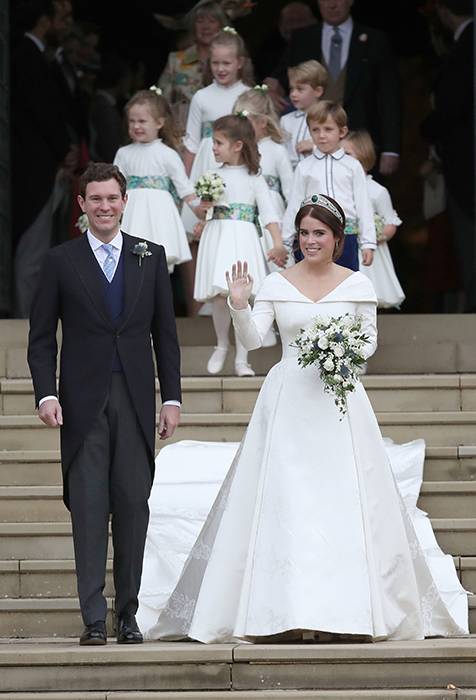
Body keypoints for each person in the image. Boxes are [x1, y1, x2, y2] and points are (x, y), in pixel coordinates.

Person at [143, 194, 468, 643]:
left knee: (343, 499)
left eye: (320, 233)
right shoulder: (278, 284)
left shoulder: (357, 285)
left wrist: (340, 348)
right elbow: (256, 340)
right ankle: (280, 614)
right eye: (304, 233)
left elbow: (369, 342)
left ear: (337, 240)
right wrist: (239, 302)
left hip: (339, 402)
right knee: (287, 500)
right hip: (288, 399)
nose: (310, 241)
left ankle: (350, 615)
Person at [27, 162, 182, 646]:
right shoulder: (60, 260)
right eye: (95, 199)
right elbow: (39, 339)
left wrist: (171, 397)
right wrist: (46, 392)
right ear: (82, 205)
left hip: (136, 400)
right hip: (81, 402)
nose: (104, 207)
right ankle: (94, 618)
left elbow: (166, 337)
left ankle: (128, 615)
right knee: (90, 508)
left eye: (112, 198)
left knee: (133, 506)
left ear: (124, 200)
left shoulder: (149, 257)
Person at [193, 114, 287, 377]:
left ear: (237, 145)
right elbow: (204, 212)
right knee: (220, 297)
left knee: (240, 296)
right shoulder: (212, 174)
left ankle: (242, 359)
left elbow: (268, 213)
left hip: (243, 236)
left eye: (219, 142)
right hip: (218, 235)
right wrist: (203, 211)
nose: (213, 147)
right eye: (213, 142)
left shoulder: (254, 177)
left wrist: (277, 242)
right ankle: (221, 344)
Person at [266, 0, 401, 177]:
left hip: (359, 142)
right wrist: (269, 91)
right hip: (312, 142)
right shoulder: (302, 38)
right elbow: (277, 78)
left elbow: (389, 96)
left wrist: (391, 149)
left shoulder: (375, 40)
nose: (332, 5)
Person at [180, 26, 252, 313]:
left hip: (236, 167)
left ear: (239, 63)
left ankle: (237, 299)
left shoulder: (247, 95)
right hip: (205, 167)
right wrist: (185, 187)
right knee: (196, 233)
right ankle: (197, 306)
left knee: (233, 230)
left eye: (226, 62)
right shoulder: (201, 97)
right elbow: (191, 143)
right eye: (215, 63)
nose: (220, 68)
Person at [11, 0, 73, 317]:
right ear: (43, 21)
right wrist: (65, 149)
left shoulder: (30, 56)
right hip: (34, 170)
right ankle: (26, 321)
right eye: (57, 18)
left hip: (36, 166)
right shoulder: (28, 56)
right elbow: (45, 112)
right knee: (32, 249)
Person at [420, 0, 475, 312]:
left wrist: (425, 130)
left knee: (467, 240)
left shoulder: (466, 47)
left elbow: (452, 105)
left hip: (466, 167)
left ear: (444, 12)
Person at [114, 88, 199, 275]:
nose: (137, 126)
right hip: (133, 215)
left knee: (157, 267)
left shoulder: (168, 154)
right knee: (132, 266)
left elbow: (184, 187)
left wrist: (201, 211)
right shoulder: (124, 153)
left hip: (159, 216)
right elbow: (115, 187)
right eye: (132, 121)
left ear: (159, 122)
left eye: (142, 121)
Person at [282, 101, 375, 271]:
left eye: (328, 129)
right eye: (315, 130)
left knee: (345, 285)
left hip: (346, 237)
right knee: (312, 285)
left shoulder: (352, 166)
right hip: (313, 239)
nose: (321, 135)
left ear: (342, 131)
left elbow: (363, 205)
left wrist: (368, 242)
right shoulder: (304, 167)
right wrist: (285, 242)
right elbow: (295, 204)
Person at [233, 86, 294, 270]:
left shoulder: (277, 150)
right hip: (246, 214)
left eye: (246, 122)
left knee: (275, 267)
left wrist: (292, 226)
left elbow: (290, 192)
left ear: (262, 122)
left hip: (273, 215)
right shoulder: (238, 150)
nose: (240, 128)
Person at [343, 131, 405, 309]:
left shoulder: (377, 191)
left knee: (367, 292)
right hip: (345, 247)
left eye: (347, 154)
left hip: (368, 251)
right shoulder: (339, 187)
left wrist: (377, 234)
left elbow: (391, 222)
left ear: (363, 156)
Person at [157, 1, 228, 132]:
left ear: (221, 26)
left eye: (212, 21)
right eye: (200, 21)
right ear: (193, 27)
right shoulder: (176, 60)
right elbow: (161, 102)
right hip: (182, 137)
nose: (206, 27)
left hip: (221, 138)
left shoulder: (230, 62)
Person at [280, 60, 328, 168]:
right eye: (291, 89)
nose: (293, 94)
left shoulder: (328, 118)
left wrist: (314, 147)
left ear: (318, 91)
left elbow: (337, 147)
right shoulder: (285, 120)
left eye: (300, 89)